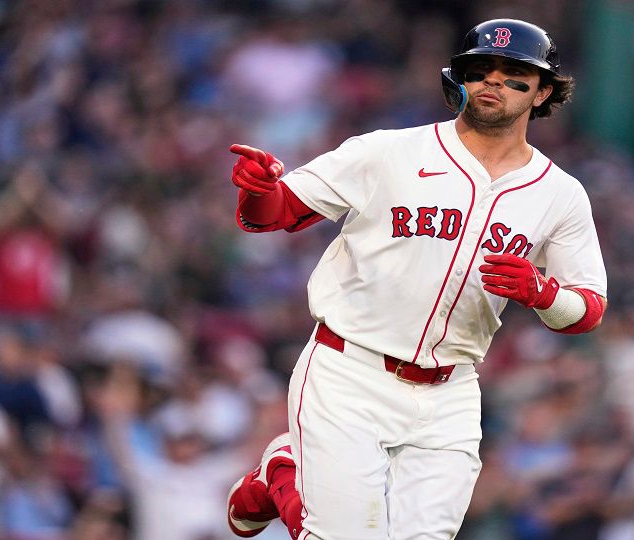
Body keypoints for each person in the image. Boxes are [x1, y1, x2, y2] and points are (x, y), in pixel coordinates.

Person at [225, 18, 608, 540]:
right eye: (480, 70)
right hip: (349, 369)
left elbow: (588, 309)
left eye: (514, 73)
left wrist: (543, 294)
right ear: (460, 80)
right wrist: (255, 190)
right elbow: (274, 213)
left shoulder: (560, 194)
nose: (493, 82)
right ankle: (283, 476)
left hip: (450, 390)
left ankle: (282, 477)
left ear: (543, 91)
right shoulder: (389, 151)